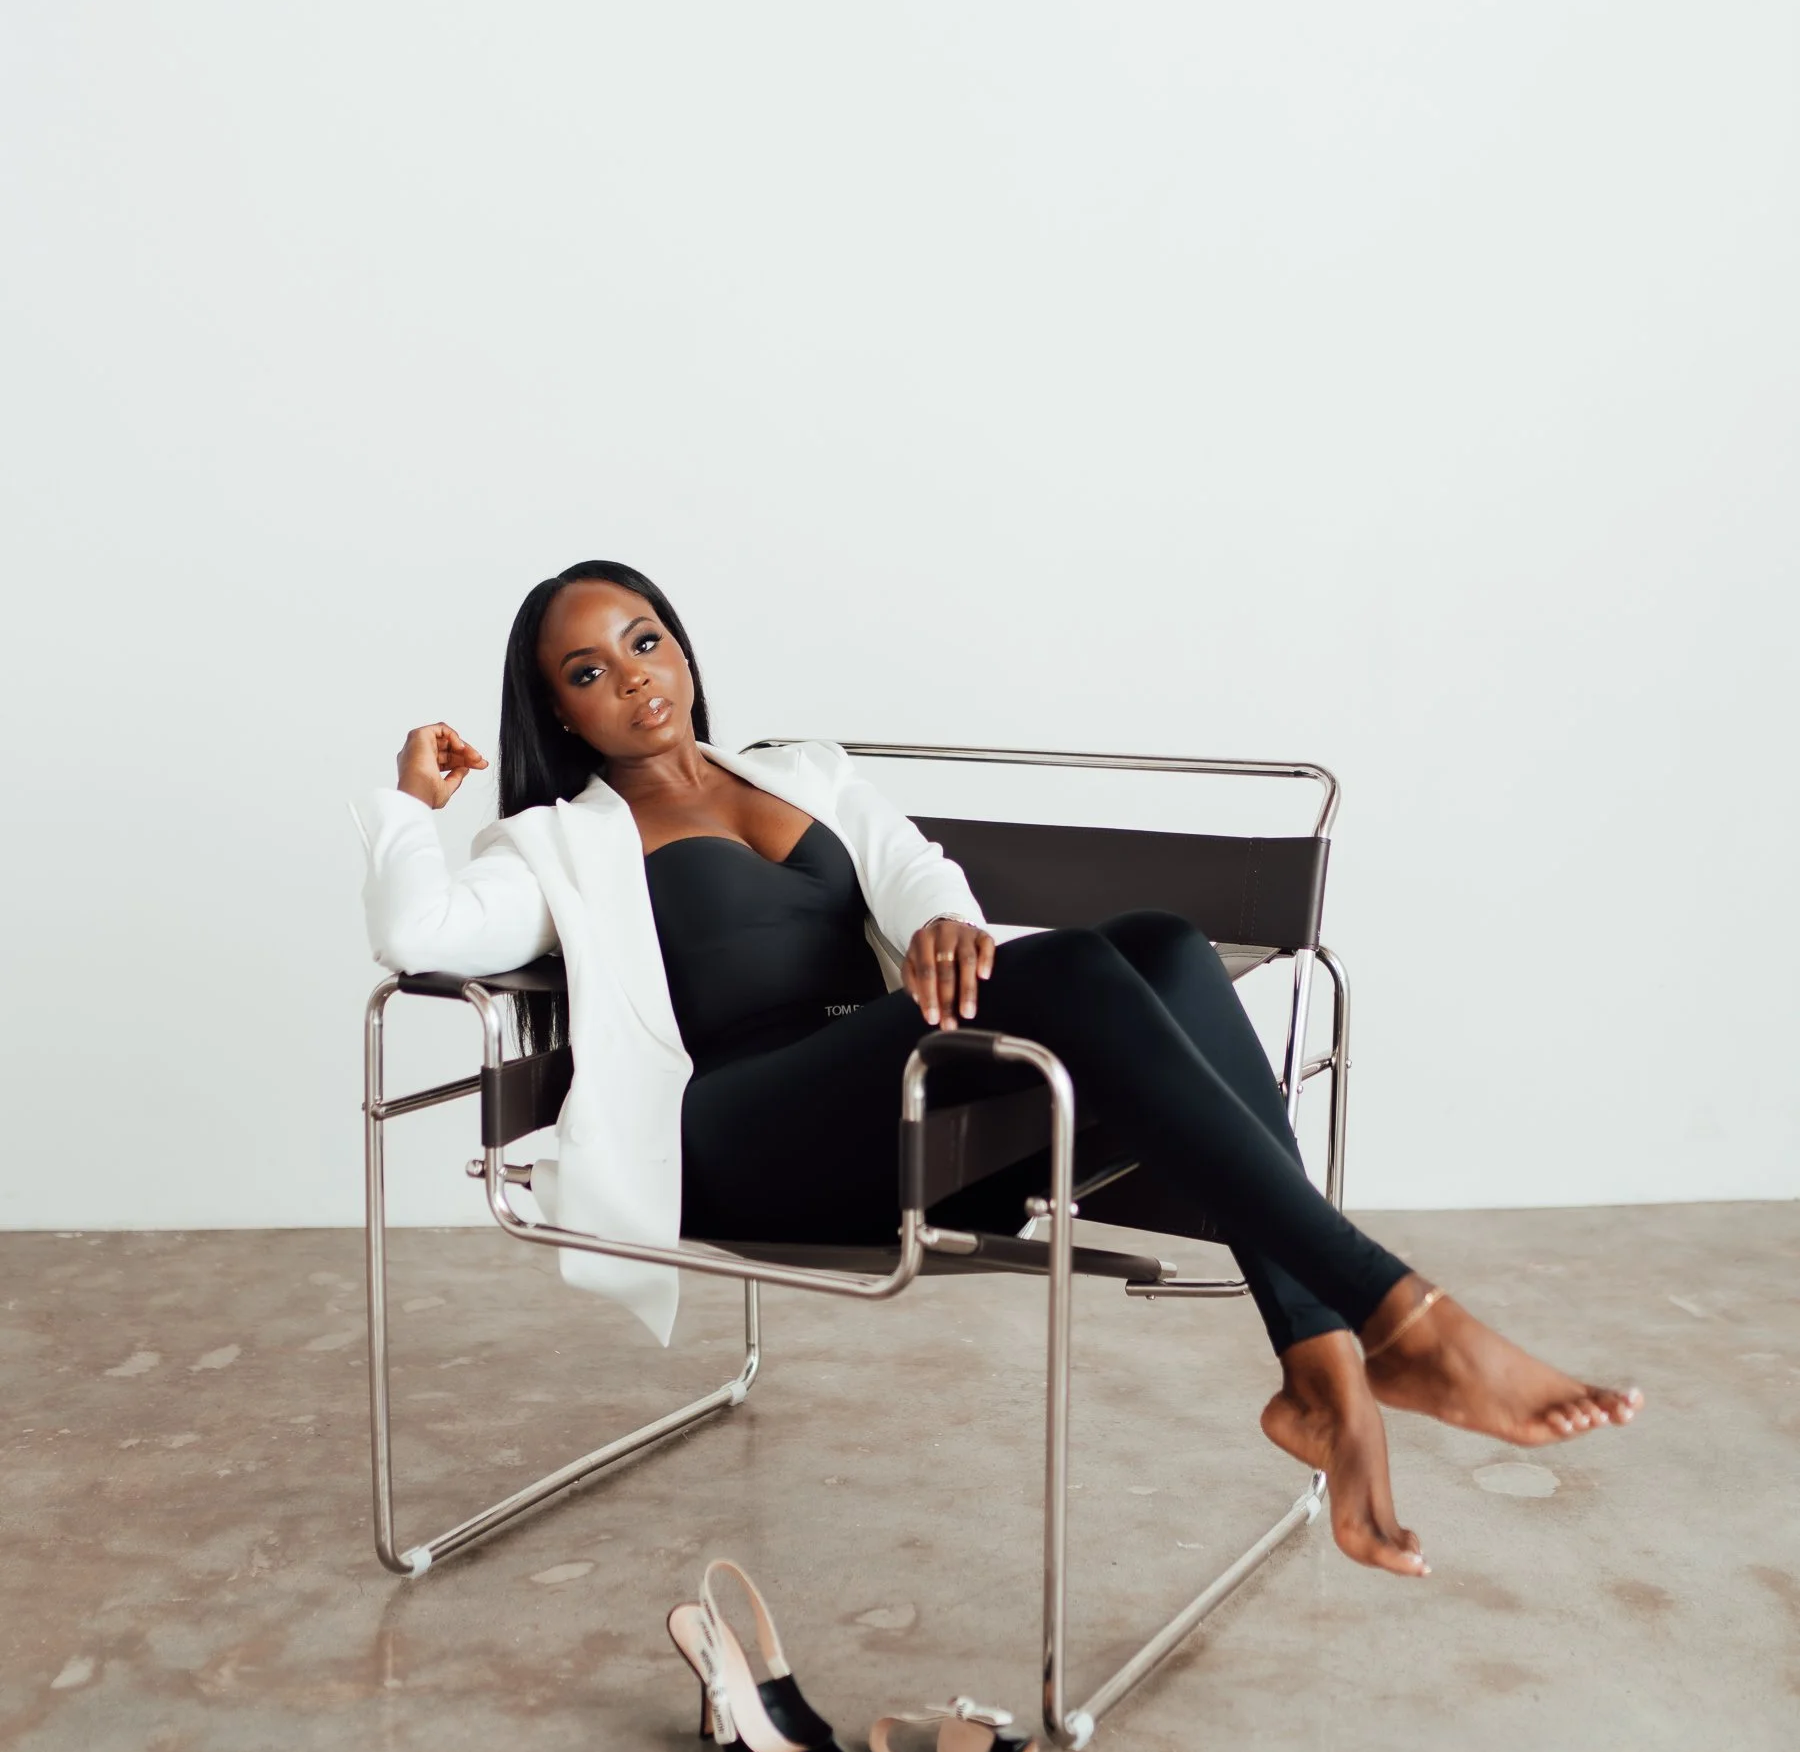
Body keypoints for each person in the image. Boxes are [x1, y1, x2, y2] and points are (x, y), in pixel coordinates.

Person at [360, 557, 1641, 1578]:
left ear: (683, 648)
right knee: (1078, 968)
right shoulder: (556, 844)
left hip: (887, 1098)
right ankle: (1399, 1317)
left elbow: (916, 871)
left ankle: (1318, 1367)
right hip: (740, 1134)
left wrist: (941, 926)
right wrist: (413, 804)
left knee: (1162, 943)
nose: (634, 677)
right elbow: (416, 933)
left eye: (645, 640)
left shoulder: (804, 772)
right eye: (589, 671)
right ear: (560, 712)